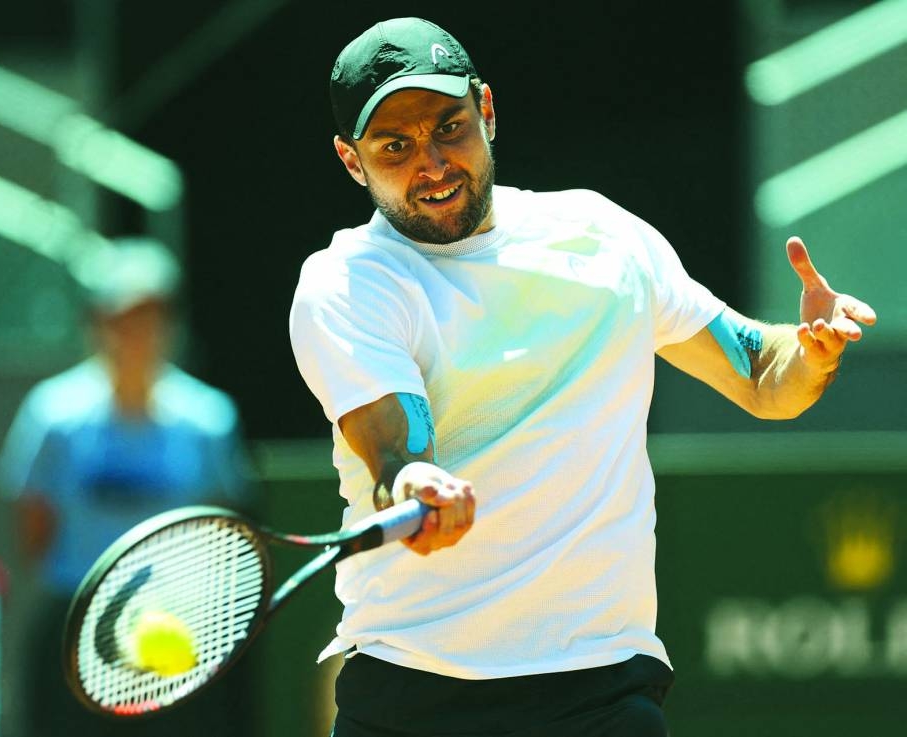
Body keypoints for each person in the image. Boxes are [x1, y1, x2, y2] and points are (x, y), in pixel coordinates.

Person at [288, 17, 877, 737]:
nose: (433, 163)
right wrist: (415, 484)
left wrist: (810, 348)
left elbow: (759, 371)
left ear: (488, 111)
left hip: (601, 690)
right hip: (414, 691)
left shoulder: (605, 237)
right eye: (396, 147)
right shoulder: (348, 282)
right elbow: (396, 452)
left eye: (449, 128)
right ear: (353, 161)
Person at [0, 238, 256, 737]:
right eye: (123, 317)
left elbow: (223, 529)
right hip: (72, 631)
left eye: (150, 317)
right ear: (97, 323)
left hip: (179, 636)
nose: (136, 332)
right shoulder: (51, 415)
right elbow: (34, 530)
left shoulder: (209, 420)